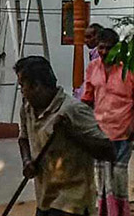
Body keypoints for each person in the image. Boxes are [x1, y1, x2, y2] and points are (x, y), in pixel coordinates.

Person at [16, 56, 115, 216]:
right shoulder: (27, 108)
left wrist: (72, 134)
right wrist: (27, 161)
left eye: (22, 86)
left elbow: (108, 151)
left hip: (72, 203)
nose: (22, 91)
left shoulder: (73, 110)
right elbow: (23, 139)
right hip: (45, 199)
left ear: (36, 86)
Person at [81, 28, 134, 216]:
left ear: (117, 48)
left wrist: (131, 130)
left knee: (119, 178)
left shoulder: (128, 69)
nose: (104, 52)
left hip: (123, 134)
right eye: (101, 48)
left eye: (109, 48)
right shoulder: (92, 67)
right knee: (101, 180)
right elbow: (87, 100)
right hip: (99, 134)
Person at [74, 23, 104, 99]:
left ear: (97, 38)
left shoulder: (98, 55)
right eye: (85, 37)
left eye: (88, 37)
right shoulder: (94, 54)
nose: (85, 40)